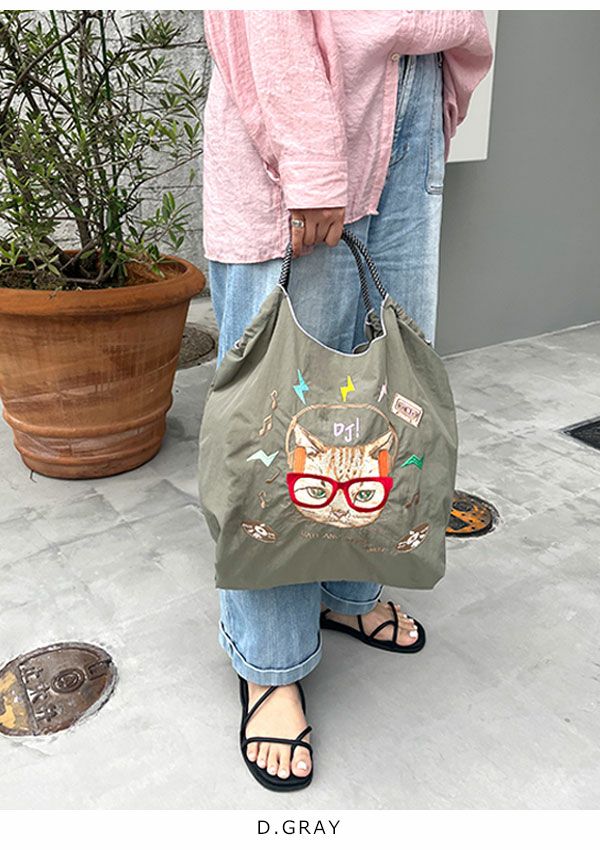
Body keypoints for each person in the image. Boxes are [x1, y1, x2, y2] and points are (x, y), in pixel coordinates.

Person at [201, 11, 493, 791]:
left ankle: (347, 590)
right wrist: (310, 163)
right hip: (305, 95)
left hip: (412, 88)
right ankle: (269, 660)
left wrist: (436, 93)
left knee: (379, 400)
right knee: (277, 425)